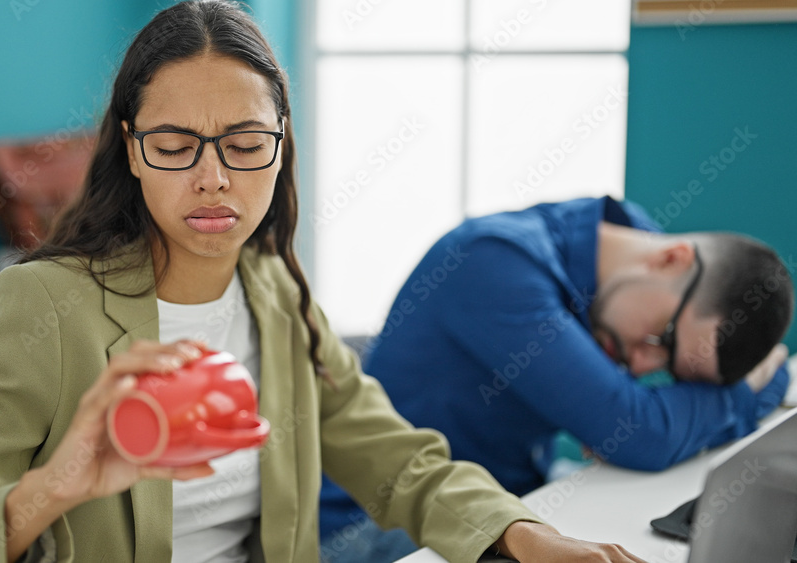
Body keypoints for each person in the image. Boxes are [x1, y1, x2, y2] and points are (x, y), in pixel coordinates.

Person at [0, 3, 650, 562]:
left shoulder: (277, 292)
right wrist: (56, 484)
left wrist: (520, 533)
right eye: (175, 144)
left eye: (243, 142)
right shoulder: (41, 306)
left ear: (280, 148)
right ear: (132, 150)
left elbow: (398, 460)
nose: (212, 178)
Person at [319, 196, 793, 561]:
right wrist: (754, 387)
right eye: (663, 339)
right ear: (672, 259)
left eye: (671, 370)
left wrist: (730, 394)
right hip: (376, 523)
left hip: (512, 493)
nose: (645, 366)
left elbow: (635, 425)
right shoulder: (493, 262)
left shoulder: (628, 253)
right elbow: (641, 432)